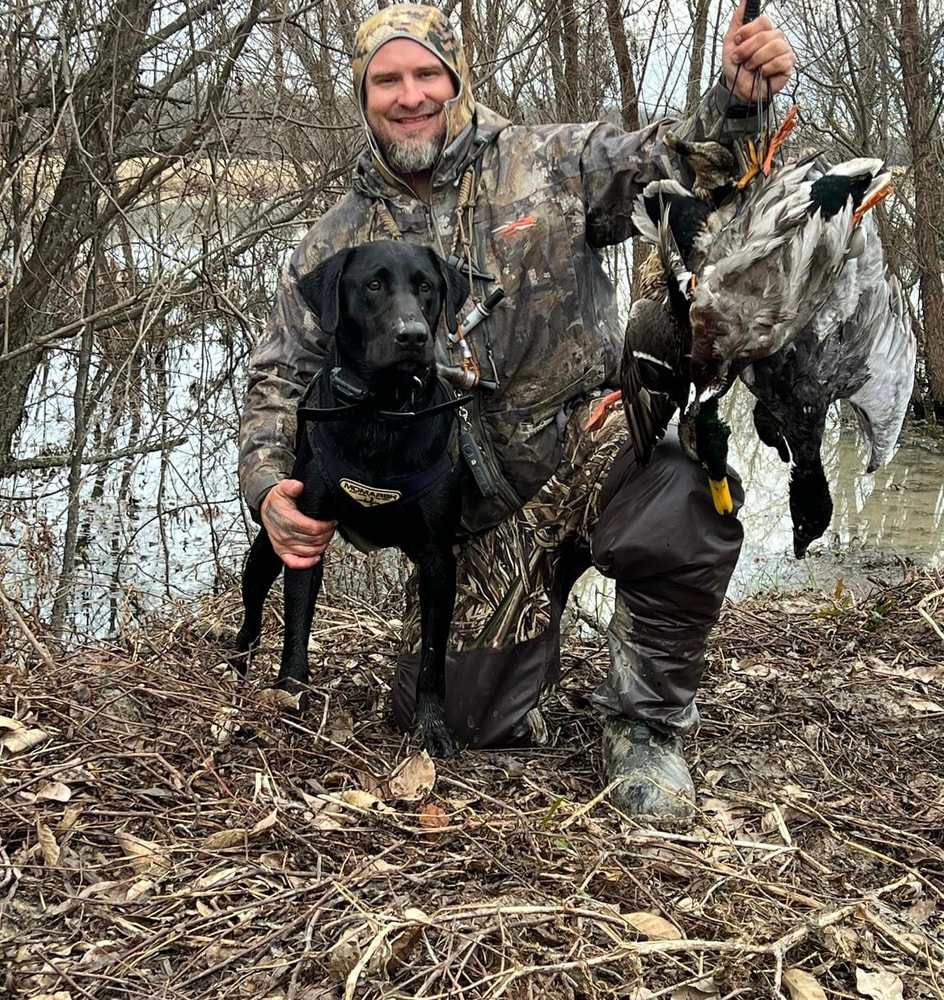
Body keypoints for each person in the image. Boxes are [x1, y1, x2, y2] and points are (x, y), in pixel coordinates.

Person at [239, 2, 796, 829]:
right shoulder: (335, 240)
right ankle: (524, 633)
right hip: (469, 514)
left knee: (684, 486)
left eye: (427, 73)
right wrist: (266, 488)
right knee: (464, 720)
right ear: (362, 94)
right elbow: (280, 374)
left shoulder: (551, 164)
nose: (409, 94)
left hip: (577, 447)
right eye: (386, 79)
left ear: (457, 78)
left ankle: (648, 724)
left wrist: (741, 99)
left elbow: (685, 162)